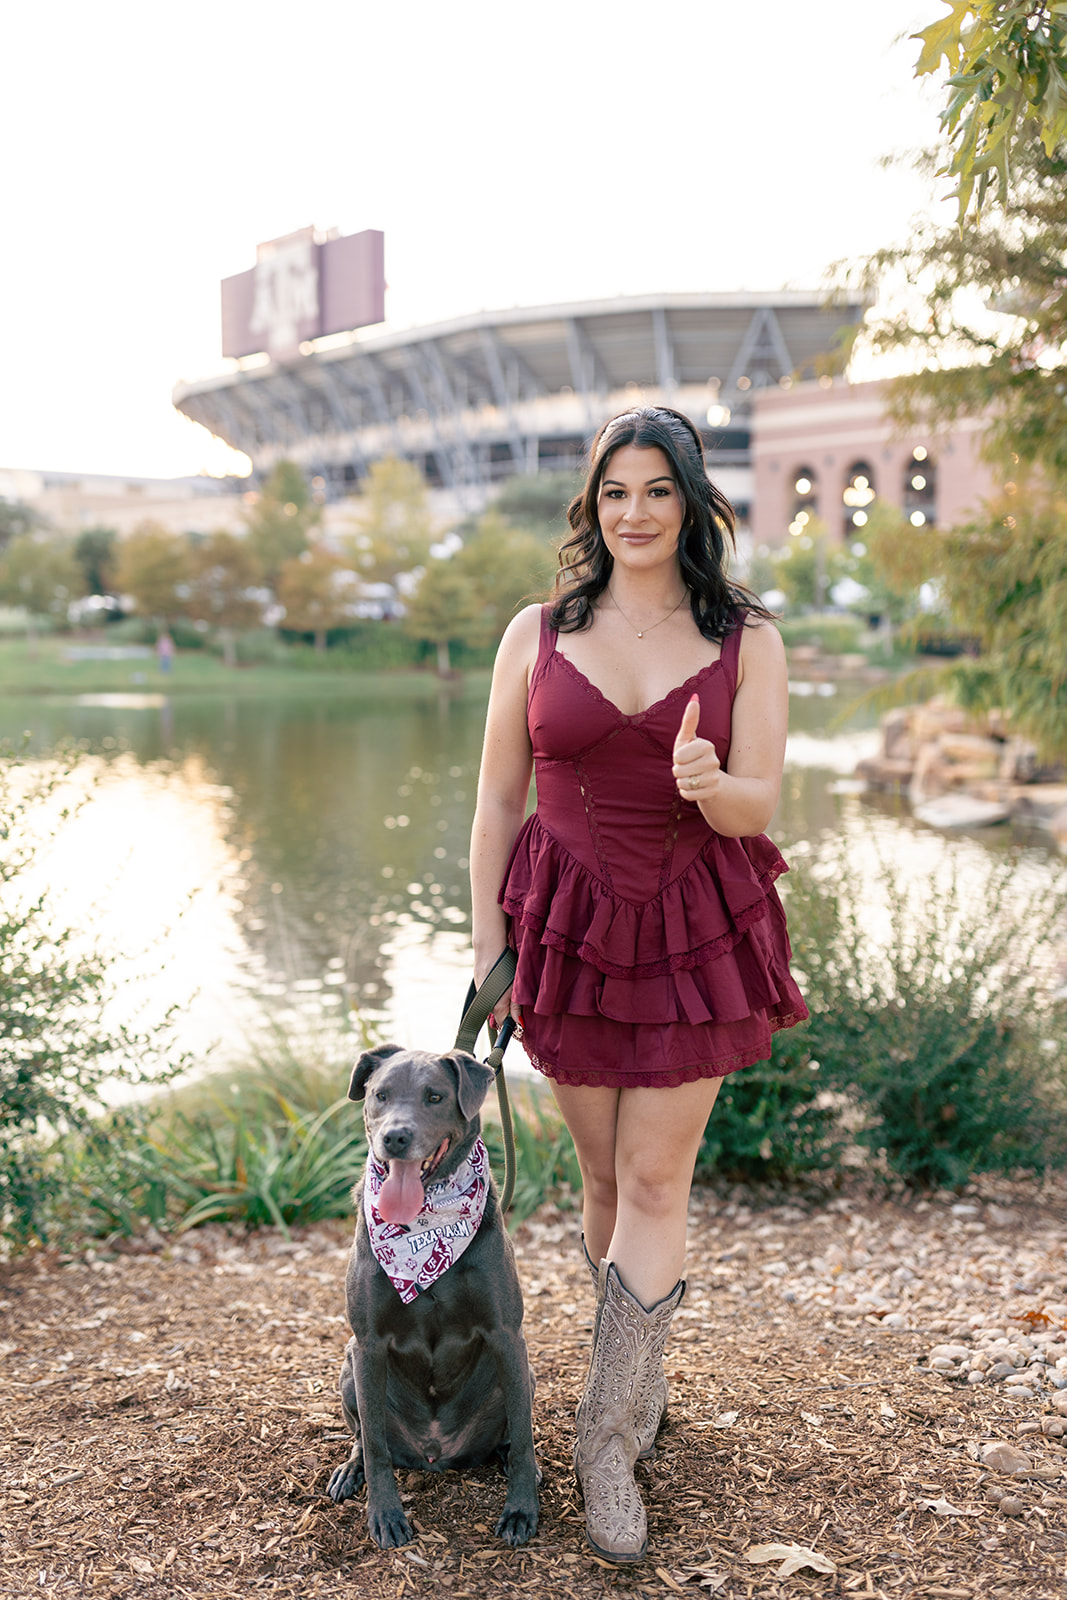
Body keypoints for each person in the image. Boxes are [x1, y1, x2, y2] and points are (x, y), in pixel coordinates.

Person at [469, 406, 808, 1564]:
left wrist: (712, 782)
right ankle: (639, 1372)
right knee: (605, 1180)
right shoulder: (537, 631)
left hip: (690, 930)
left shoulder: (744, 638)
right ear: (591, 505)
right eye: (614, 491)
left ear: (693, 502)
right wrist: (486, 950)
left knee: (658, 1177)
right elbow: (494, 806)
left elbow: (759, 805)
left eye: (657, 490)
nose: (634, 512)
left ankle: (604, 1440)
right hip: (559, 930)